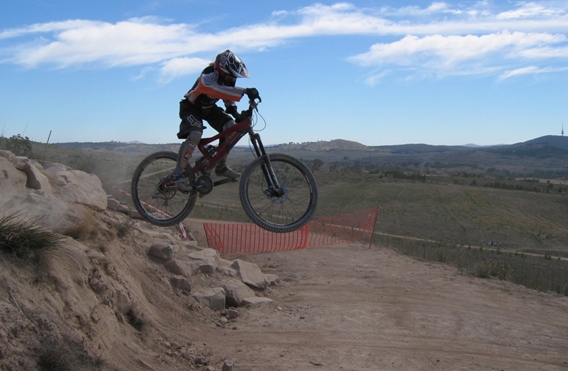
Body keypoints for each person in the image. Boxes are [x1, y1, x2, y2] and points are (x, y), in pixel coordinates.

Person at [171, 50, 259, 187]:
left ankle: (221, 166)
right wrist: (244, 91)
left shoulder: (226, 81)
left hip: (209, 108)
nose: (232, 81)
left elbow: (227, 97)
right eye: (230, 77)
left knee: (232, 127)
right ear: (222, 71)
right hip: (191, 107)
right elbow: (214, 90)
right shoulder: (208, 74)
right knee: (195, 135)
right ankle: (177, 173)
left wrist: (235, 113)